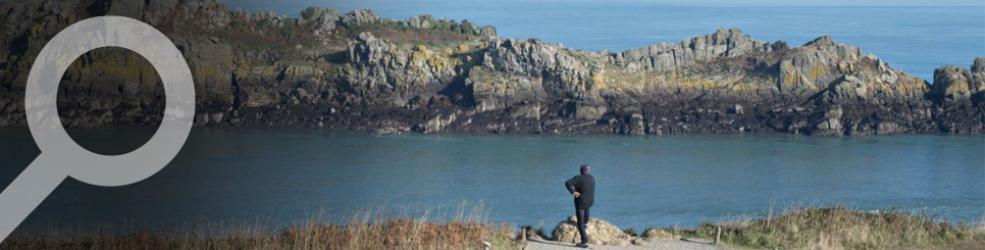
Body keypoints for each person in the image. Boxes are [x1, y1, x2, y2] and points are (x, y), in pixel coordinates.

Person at [564, 164, 595, 248]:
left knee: (580, 221)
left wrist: (573, 192)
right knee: (586, 213)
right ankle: (585, 222)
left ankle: (584, 241)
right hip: (589, 201)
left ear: (581, 171)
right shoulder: (591, 178)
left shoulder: (578, 178)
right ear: (588, 171)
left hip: (581, 202)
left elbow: (567, 183)